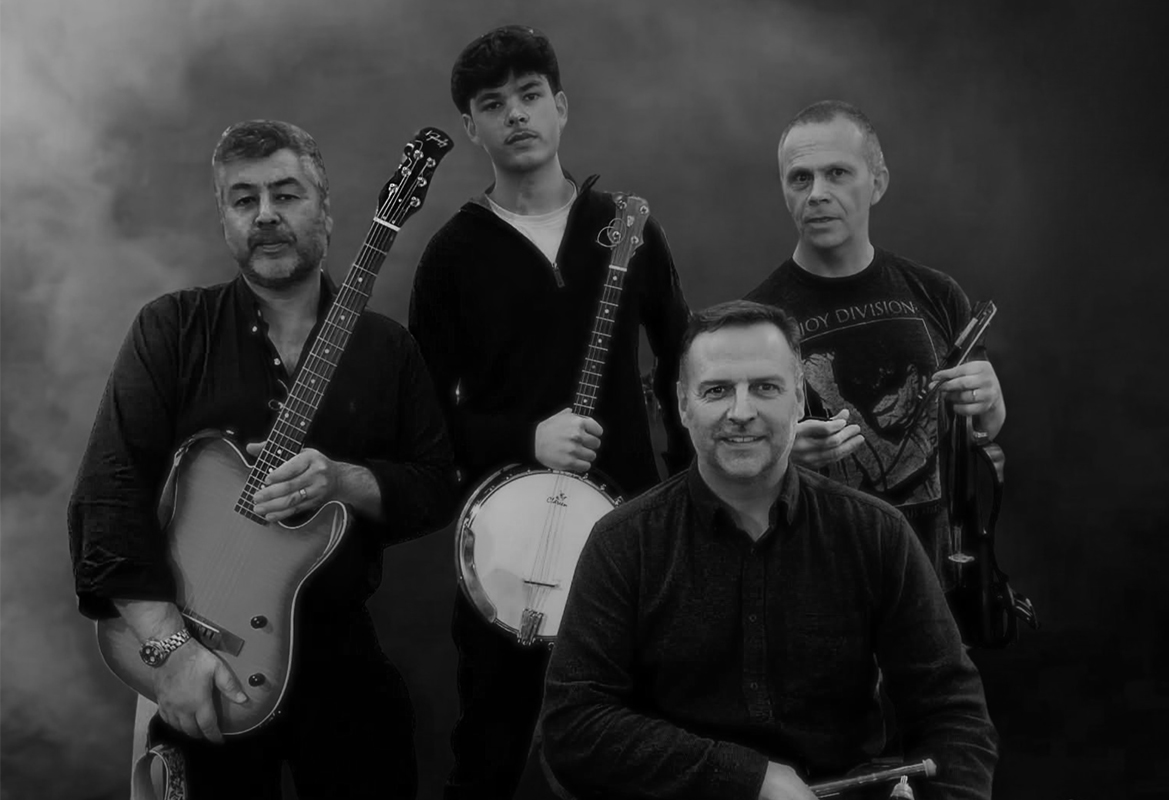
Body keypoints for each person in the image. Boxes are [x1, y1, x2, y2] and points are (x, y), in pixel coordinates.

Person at [67, 119, 458, 799]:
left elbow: (433, 487)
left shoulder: (388, 349)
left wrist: (344, 480)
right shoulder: (172, 329)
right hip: (194, 650)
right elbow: (109, 494)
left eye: (287, 194)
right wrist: (170, 652)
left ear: (326, 210)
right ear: (224, 218)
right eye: (244, 199)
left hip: (338, 653)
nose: (266, 215)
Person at [540, 300, 998, 800]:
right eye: (717, 390)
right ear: (683, 405)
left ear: (799, 399)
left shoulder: (876, 533)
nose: (741, 412)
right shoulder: (622, 542)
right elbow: (573, 726)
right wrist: (750, 779)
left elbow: (953, 712)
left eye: (765, 387)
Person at [408, 25, 691, 800]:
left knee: (643, 752)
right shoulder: (451, 256)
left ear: (561, 106)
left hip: (631, 536)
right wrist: (522, 436)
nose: (516, 115)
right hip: (506, 549)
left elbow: (685, 368)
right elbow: (423, 427)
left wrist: (686, 498)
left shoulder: (626, 226)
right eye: (493, 104)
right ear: (472, 127)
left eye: (530, 95)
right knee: (490, 756)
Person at [745, 100, 1006, 589]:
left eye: (837, 173)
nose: (817, 194)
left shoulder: (937, 293)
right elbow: (729, 468)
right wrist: (778, 455)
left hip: (936, 580)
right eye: (800, 178)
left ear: (878, 182)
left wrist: (989, 403)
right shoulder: (755, 321)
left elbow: (982, 432)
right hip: (818, 583)